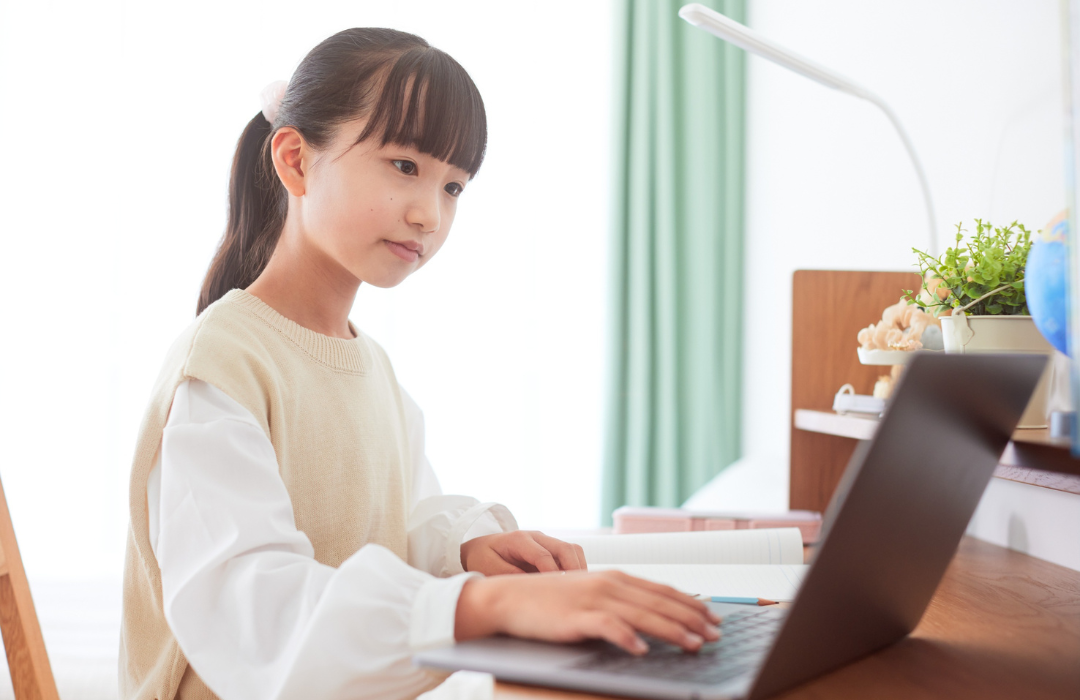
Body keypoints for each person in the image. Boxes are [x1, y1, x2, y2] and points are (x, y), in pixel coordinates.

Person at [119, 27, 719, 700]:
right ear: (294, 161)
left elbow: (391, 521)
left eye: (454, 186)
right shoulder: (222, 364)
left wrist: (463, 551)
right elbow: (256, 617)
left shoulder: (369, 365)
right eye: (405, 166)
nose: (429, 214)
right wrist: (485, 608)